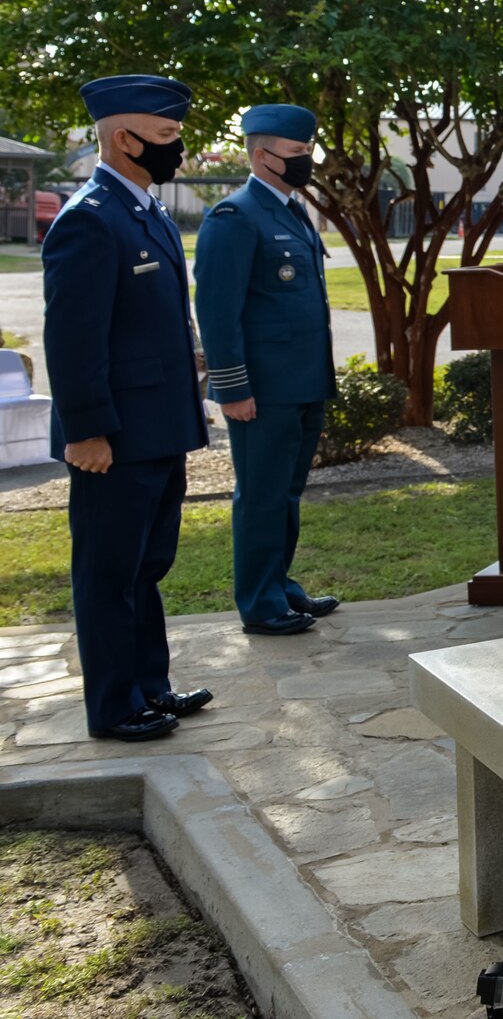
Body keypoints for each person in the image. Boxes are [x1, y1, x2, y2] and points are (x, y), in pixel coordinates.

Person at [44, 74, 212, 741]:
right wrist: (86, 429)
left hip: (158, 426)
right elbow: (73, 338)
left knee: (147, 565)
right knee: (109, 572)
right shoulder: (89, 218)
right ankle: (115, 705)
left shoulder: (145, 210)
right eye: (168, 137)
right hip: (112, 435)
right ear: (124, 137)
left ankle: (151, 685)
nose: (178, 151)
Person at [193, 104, 340, 637]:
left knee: (287, 492)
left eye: (307, 152)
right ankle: (260, 601)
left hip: (301, 380)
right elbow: (216, 310)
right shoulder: (233, 217)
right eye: (298, 154)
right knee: (261, 492)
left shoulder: (291, 210)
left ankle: (281, 584)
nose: (307, 162)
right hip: (263, 388)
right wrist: (232, 388)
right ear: (262, 155)